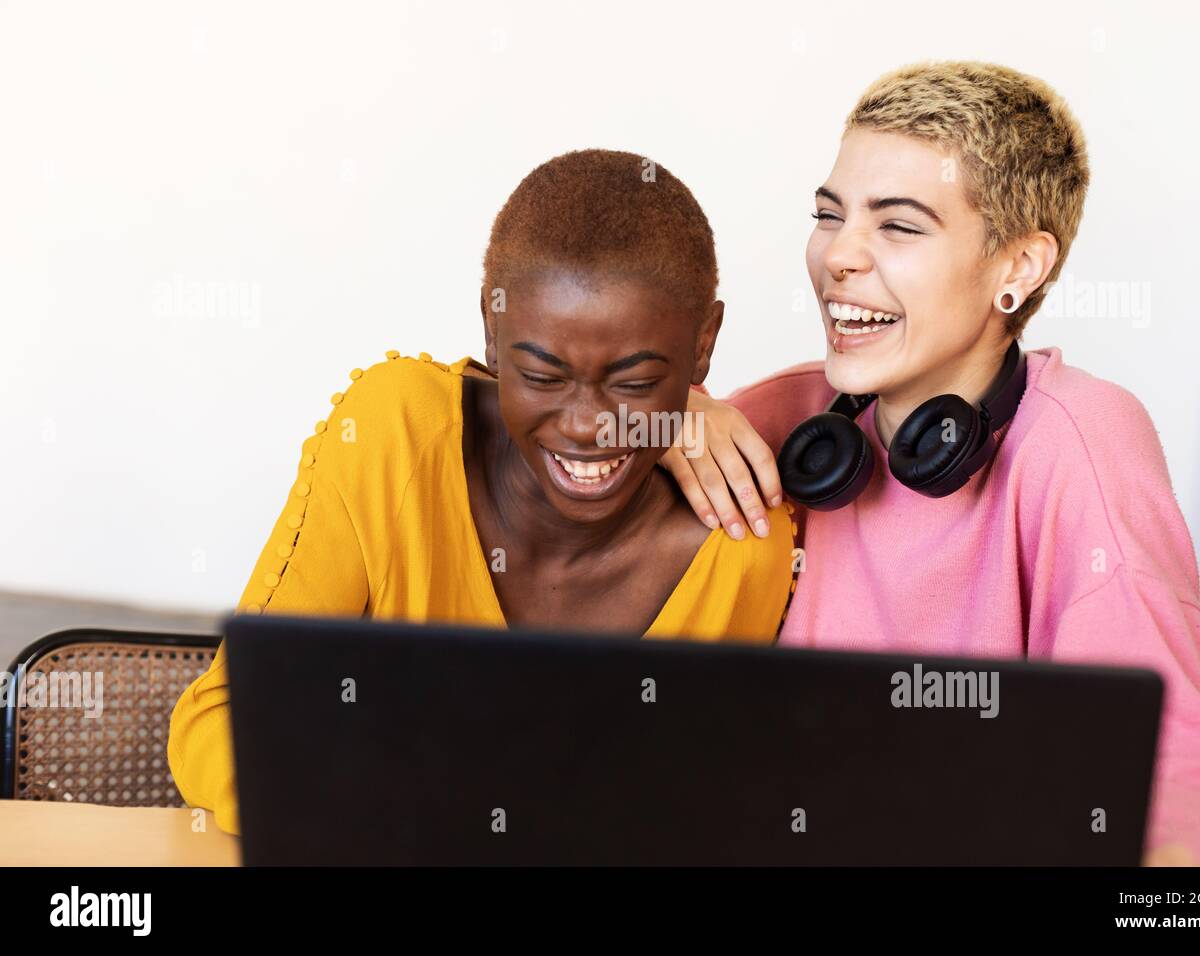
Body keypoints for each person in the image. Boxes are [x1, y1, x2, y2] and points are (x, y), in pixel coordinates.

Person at [661, 62, 1200, 866]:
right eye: (829, 213)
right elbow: (529, 436)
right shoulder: (783, 420)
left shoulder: (1081, 436)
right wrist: (657, 416)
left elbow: (1169, 757)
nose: (838, 255)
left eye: (900, 226)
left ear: (1018, 268)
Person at [168, 149, 795, 836]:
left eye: (635, 381)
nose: (588, 426)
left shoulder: (740, 544)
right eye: (545, 375)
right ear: (492, 334)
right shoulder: (392, 435)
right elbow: (223, 721)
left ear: (704, 343)